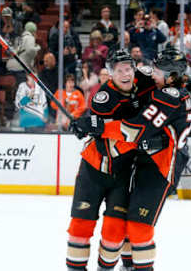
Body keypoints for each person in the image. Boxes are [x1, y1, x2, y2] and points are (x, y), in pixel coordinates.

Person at [65, 50, 157, 271]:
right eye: (119, 71)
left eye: (128, 69)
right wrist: (87, 124)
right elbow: (107, 132)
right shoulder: (103, 98)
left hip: (123, 173)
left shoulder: (145, 81)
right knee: (80, 226)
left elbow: (169, 84)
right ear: (110, 74)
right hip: (94, 169)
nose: (125, 74)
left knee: (114, 231)